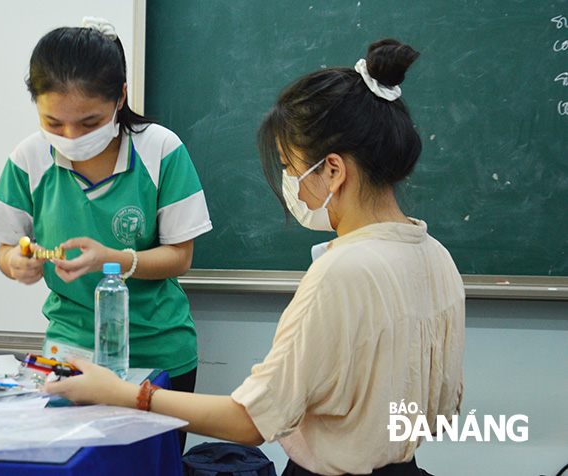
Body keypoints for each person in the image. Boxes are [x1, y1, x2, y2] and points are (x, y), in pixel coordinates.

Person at [45, 38, 465, 476]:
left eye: (289, 165)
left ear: (334, 170)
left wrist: (122, 393)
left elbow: (251, 420)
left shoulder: (341, 273)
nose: (288, 181)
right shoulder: (436, 257)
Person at [0, 17, 212, 450]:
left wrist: (115, 258)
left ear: (120, 96)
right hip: (70, 352)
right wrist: (17, 264)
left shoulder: (160, 149)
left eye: (89, 123)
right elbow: (5, 250)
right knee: (74, 460)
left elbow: (180, 256)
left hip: (157, 352)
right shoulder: (28, 158)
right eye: (53, 122)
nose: (70, 136)